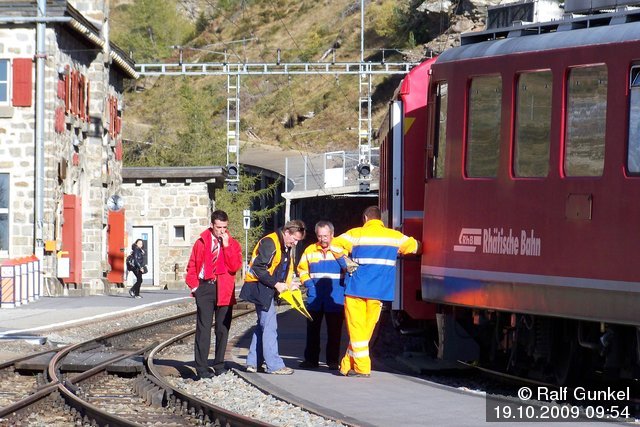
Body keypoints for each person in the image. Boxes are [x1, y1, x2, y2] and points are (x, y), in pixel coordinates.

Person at [330, 206, 421, 378]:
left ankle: (362, 368)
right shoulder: (394, 237)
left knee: (357, 329)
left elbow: (334, 245)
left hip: (356, 288)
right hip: (379, 291)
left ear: (365, 218)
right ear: (381, 220)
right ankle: (347, 364)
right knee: (364, 331)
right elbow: (416, 246)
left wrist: (346, 264)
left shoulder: (356, 234)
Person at [239, 220, 306, 375]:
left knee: (262, 325)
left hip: (264, 287)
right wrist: (276, 284)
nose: (295, 243)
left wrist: (289, 284)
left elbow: (281, 268)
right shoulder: (270, 242)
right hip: (260, 288)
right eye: (294, 239)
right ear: (287, 232)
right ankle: (274, 365)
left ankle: (253, 363)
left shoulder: (283, 245)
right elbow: (258, 268)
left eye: (297, 240)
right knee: (269, 326)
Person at [185, 210, 243, 380]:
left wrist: (226, 246)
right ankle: (201, 367)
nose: (222, 231)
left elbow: (234, 266)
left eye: (225, 227)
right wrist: (195, 287)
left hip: (224, 289)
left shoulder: (233, 243)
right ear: (212, 225)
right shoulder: (201, 242)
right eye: (219, 227)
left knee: (222, 329)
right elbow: (192, 265)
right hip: (205, 287)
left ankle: (219, 364)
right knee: (203, 329)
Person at [296, 220, 345, 370]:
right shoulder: (310, 250)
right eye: (319, 236)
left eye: (325, 236)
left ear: (332, 234)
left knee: (335, 332)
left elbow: (349, 269)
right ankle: (311, 360)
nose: (322, 239)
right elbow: (302, 270)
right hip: (315, 297)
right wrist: (310, 285)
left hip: (336, 298)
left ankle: (333, 361)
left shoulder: (341, 250)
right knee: (312, 331)